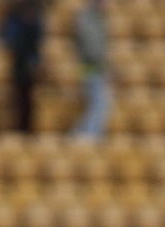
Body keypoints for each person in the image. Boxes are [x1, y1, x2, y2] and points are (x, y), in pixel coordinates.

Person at [0, 0, 46, 134]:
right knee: (20, 98)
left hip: (28, 65)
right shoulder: (15, 20)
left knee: (28, 99)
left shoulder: (34, 22)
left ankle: (26, 128)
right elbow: (9, 41)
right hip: (20, 64)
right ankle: (19, 128)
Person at [72, 0, 112, 140]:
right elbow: (92, 47)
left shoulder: (97, 19)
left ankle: (90, 133)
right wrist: (104, 65)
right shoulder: (88, 19)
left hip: (95, 67)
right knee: (99, 102)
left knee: (100, 102)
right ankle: (87, 135)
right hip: (92, 67)